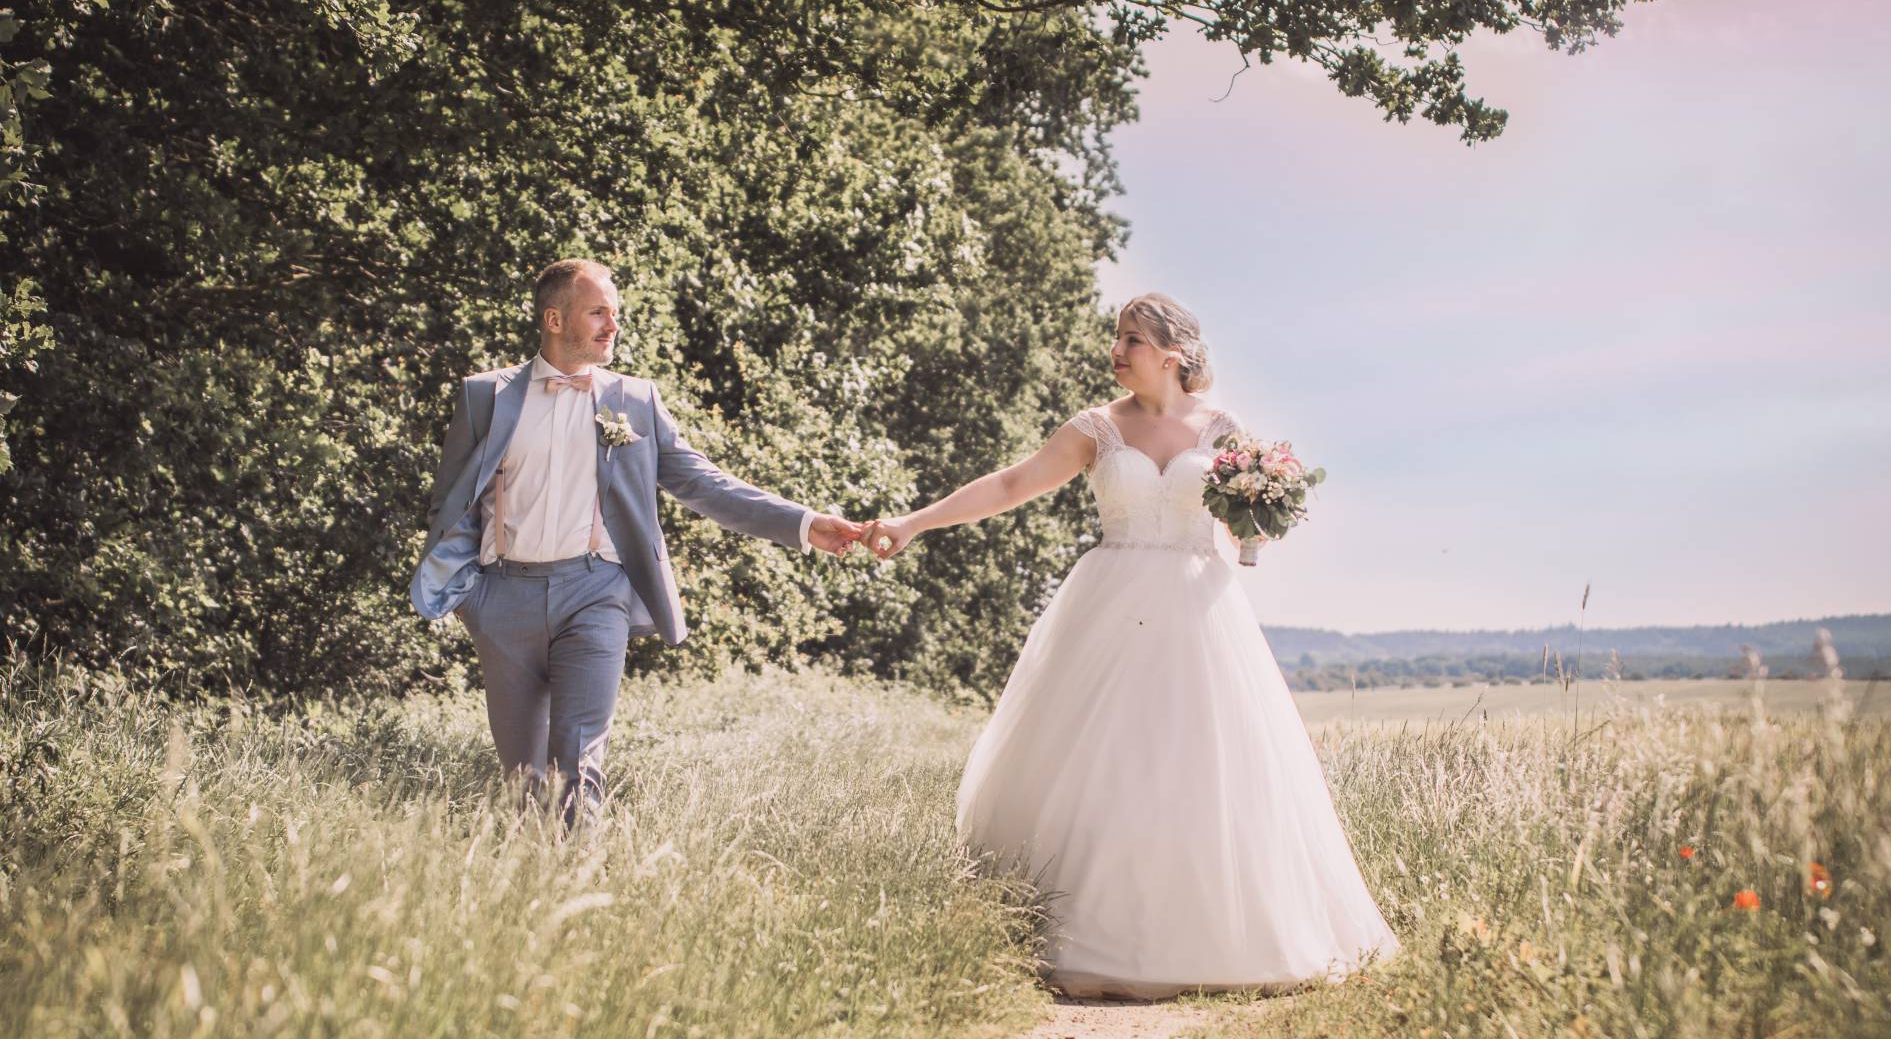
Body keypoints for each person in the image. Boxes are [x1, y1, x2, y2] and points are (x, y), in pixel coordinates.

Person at [862, 292, 1400, 997]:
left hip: (1202, 616)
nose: (1116, 351)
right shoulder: (1095, 428)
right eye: (1116, 337)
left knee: (1205, 769)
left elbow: (1242, 531)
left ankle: (1224, 941)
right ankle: (1078, 935)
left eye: (1132, 340)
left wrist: (1260, 520)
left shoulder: (1224, 427)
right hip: (1109, 606)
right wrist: (913, 522)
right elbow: (1013, 482)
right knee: (1103, 765)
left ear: (1172, 354)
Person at [410, 258, 866, 829]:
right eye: (598, 312)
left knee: (576, 769)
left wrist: (802, 522)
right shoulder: (485, 397)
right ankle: (535, 902)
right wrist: (471, 597)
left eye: (615, 314)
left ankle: (582, 898)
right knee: (522, 781)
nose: (612, 325)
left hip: (595, 596)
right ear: (554, 318)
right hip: (501, 600)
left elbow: (703, 483)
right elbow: (449, 502)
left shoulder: (633, 400)